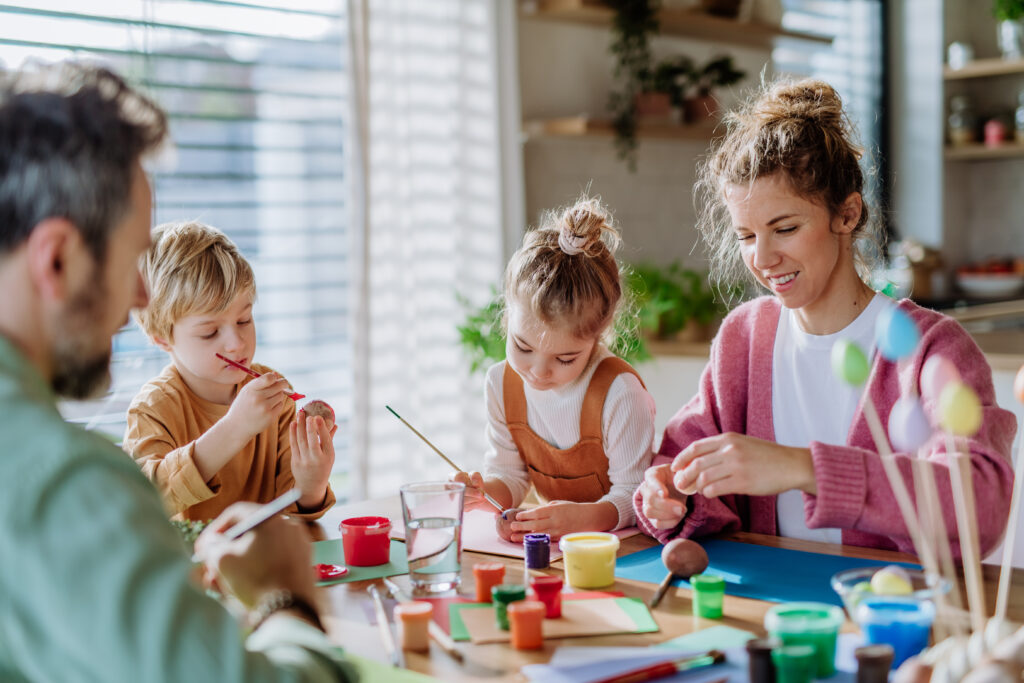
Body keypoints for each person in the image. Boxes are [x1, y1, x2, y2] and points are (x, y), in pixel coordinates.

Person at [0, 61, 355, 681]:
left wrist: (310, 488)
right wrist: (285, 598)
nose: (141, 295)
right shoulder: (61, 484)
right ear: (55, 260)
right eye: (133, 257)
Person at [635, 79, 1016, 558]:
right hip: (775, 617)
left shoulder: (931, 350)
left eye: (786, 228)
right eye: (746, 236)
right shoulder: (744, 339)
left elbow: (981, 504)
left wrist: (805, 468)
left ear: (847, 215)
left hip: (894, 620)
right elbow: (682, 460)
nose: (764, 258)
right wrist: (672, 496)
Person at [453, 196, 656, 542]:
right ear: (507, 317)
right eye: (523, 347)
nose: (538, 372)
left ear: (599, 334)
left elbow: (634, 497)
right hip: (553, 555)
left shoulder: (619, 393)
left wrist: (581, 520)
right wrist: (484, 494)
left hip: (622, 555)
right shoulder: (501, 384)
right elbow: (512, 479)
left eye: (565, 359)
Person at [123, 221, 335, 521]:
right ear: (162, 338)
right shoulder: (153, 408)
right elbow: (146, 501)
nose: (237, 344)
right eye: (210, 333)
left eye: (244, 320)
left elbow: (296, 515)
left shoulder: (274, 396)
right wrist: (235, 428)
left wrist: (312, 483)